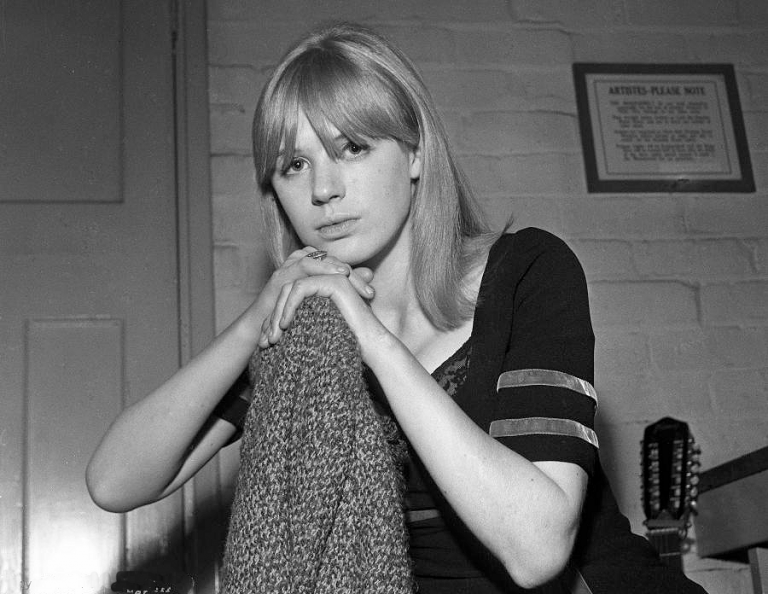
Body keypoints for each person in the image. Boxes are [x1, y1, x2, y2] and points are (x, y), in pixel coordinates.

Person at [87, 22, 708, 594]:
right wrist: (257, 320)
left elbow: (537, 548)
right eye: (294, 164)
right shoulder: (307, 340)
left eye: (351, 147)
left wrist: (377, 343)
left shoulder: (526, 274)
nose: (323, 190)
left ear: (414, 154)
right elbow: (115, 482)